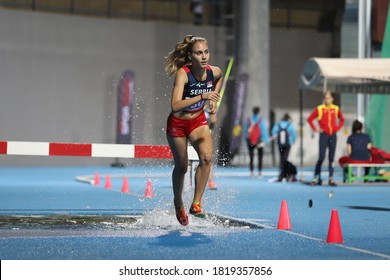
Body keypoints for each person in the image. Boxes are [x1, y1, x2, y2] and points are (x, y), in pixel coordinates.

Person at [165, 35, 223, 226]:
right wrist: (202, 97)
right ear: (190, 56)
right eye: (199, 53)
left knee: (206, 158)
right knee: (181, 166)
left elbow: (220, 78)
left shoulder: (213, 72)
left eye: (206, 52)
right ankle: (178, 203)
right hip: (178, 125)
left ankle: (196, 203)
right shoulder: (183, 73)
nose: (204, 56)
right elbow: (175, 105)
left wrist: (213, 100)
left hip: (198, 121)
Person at [307, 91, 345, 186]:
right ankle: (316, 177)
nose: (327, 100)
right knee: (321, 157)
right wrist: (316, 129)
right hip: (323, 135)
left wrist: (337, 128)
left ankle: (331, 179)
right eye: (326, 98)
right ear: (324, 99)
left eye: (329, 98)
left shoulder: (335, 108)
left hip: (333, 135)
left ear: (332, 99)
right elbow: (310, 119)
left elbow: (342, 119)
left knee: (331, 158)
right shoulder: (320, 108)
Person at [244, 106, 270, 177]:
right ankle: (260, 172)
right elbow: (263, 130)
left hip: (250, 140)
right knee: (260, 156)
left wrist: (247, 139)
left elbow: (246, 131)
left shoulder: (249, 119)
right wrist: (266, 140)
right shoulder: (261, 119)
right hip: (259, 140)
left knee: (251, 156)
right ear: (258, 111)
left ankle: (251, 171)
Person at [271, 113, 296, 181]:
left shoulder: (278, 124)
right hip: (287, 144)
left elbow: (273, 132)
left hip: (280, 144)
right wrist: (293, 140)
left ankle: (281, 172)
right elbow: (293, 134)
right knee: (285, 159)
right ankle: (284, 173)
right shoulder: (289, 125)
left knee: (281, 158)